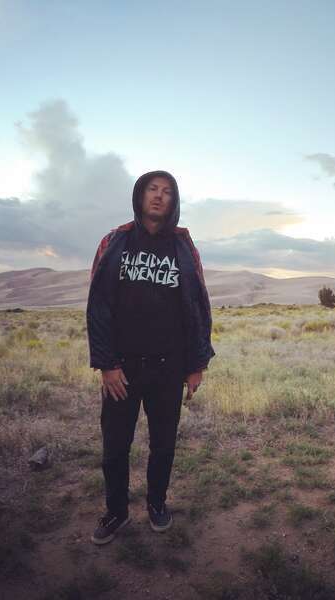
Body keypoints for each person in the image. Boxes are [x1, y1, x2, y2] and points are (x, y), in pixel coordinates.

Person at [86, 170, 215, 545]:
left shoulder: (183, 247)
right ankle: (116, 512)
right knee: (114, 447)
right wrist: (107, 364)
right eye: (152, 190)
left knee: (163, 445)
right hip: (121, 369)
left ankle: (157, 503)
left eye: (167, 192)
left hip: (167, 368)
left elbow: (197, 306)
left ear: (174, 202)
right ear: (139, 196)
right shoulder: (116, 242)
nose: (159, 197)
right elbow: (99, 306)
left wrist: (196, 364)